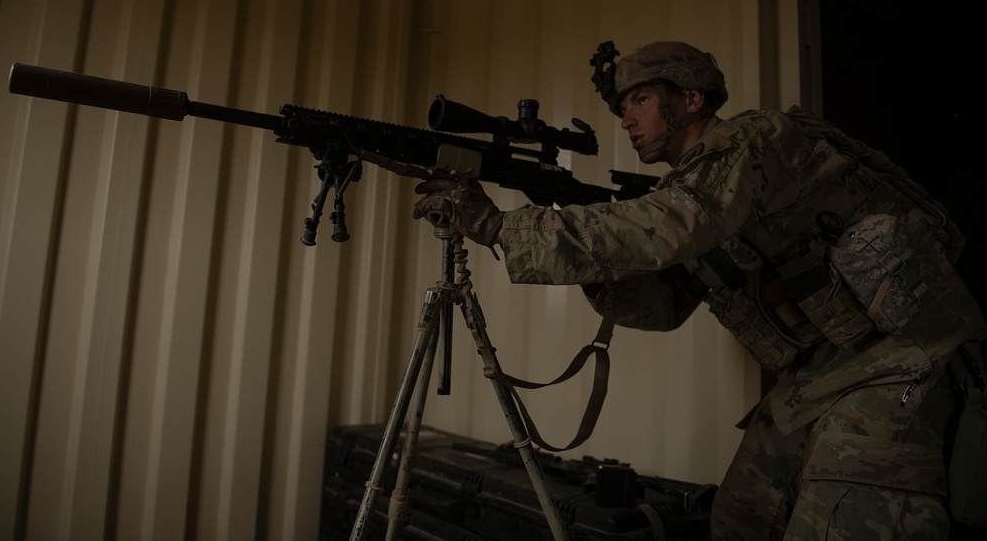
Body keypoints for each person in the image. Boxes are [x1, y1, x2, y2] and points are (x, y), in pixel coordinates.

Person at [412, 40, 987, 540]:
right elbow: (662, 306)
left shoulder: (754, 140)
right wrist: (590, 259)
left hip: (896, 364)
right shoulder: (698, 199)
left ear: (692, 98)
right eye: (619, 108)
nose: (625, 119)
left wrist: (501, 226)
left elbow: (666, 227)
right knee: (741, 520)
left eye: (637, 99)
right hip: (816, 376)